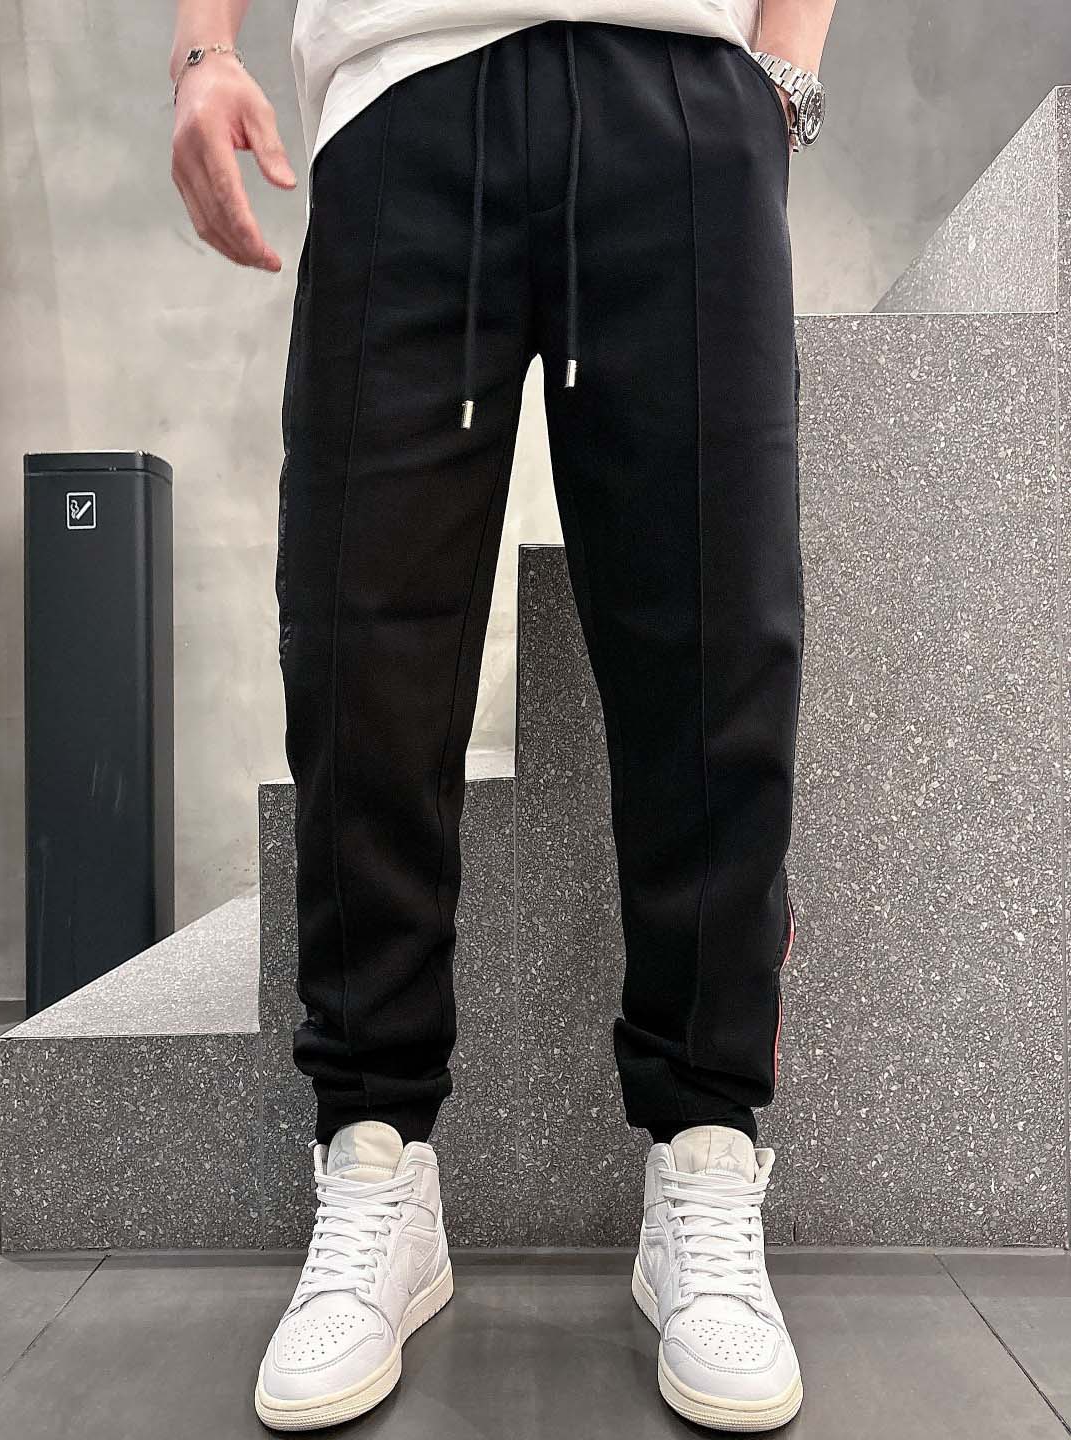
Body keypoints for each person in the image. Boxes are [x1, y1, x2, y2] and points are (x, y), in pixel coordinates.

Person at [170, 0, 835, 1430]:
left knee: (717, 646)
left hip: (684, 86)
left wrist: (782, 79)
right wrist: (203, 52)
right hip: (400, 91)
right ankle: (374, 1162)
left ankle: (708, 1157)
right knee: (360, 647)